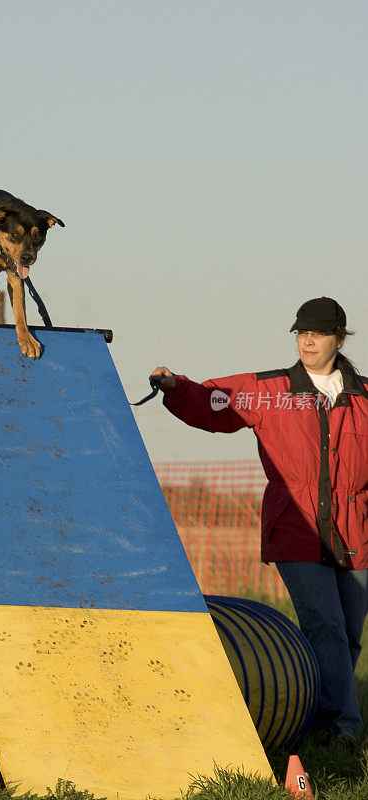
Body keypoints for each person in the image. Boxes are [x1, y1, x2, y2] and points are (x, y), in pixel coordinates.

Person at [150, 296, 368, 741]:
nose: (307, 340)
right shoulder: (270, 391)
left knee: (348, 635)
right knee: (324, 623)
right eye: (301, 332)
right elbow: (215, 400)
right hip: (296, 529)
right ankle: (344, 728)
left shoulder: (366, 397)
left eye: (318, 333)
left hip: (355, 531)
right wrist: (175, 386)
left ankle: (323, 719)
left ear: (339, 339)